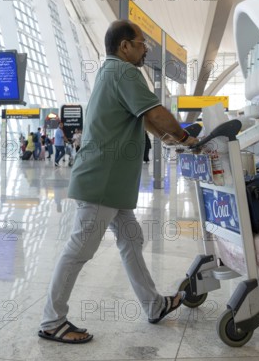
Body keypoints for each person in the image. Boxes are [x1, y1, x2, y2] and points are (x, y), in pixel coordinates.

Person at [38, 19, 199, 344]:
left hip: (108, 181)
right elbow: (154, 114)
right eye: (141, 43)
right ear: (125, 46)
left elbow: (146, 119)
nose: (145, 49)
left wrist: (175, 140)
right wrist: (186, 139)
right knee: (80, 248)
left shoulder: (109, 71)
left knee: (131, 240)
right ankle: (52, 321)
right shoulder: (125, 72)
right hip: (102, 181)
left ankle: (154, 305)